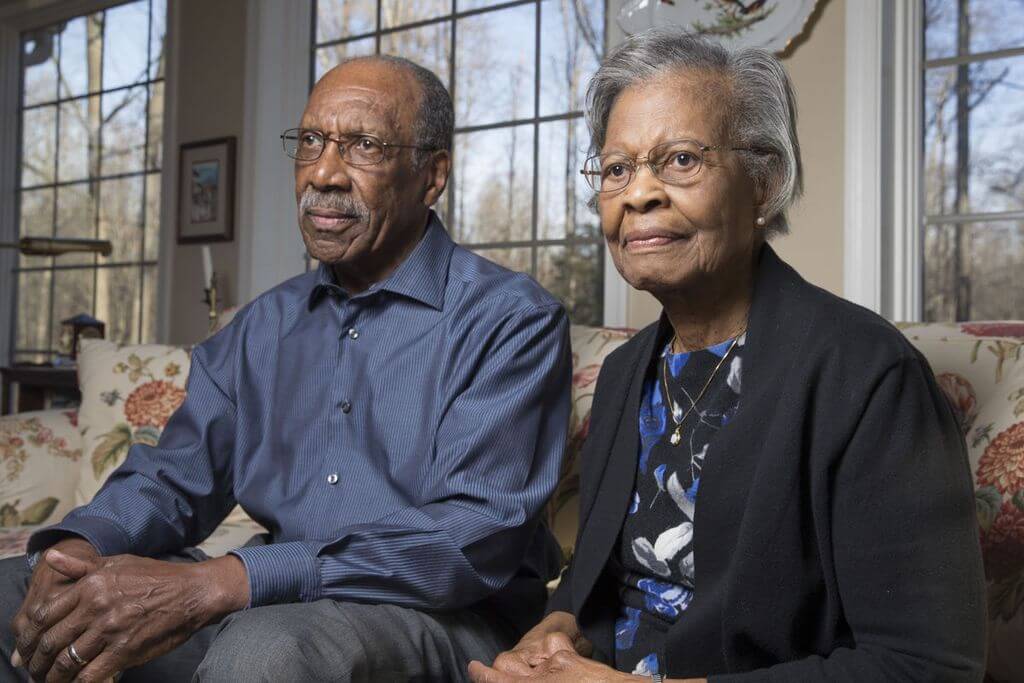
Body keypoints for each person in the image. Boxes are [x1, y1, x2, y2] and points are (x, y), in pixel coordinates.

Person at [2, 55, 571, 682]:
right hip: (263, 602)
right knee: (19, 591)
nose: (323, 173)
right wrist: (81, 548)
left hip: (440, 615)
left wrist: (224, 581)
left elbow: (467, 540)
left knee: (266, 650)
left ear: (431, 177)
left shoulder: (512, 321)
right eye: (310, 142)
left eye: (364, 146)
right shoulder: (261, 326)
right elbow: (172, 480)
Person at [471, 29, 986, 683]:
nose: (638, 194)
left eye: (681, 159)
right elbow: (607, 581)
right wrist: (559, 628)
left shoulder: (868, 377)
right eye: (616, 168)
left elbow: (929, 667)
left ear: (764, 183)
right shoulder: (627, 372)